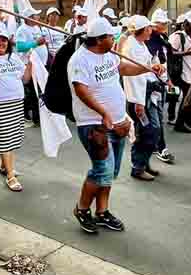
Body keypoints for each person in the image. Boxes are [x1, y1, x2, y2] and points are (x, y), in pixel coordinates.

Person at [69, 17, 162, 233]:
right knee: (102, 169)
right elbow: (81, 90)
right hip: (95, 124)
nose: (116, 38)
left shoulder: (109, 54)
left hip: (118, 121)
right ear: (100, 39)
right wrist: (104, 114)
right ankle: (82, 209)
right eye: (112, 36)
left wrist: (147, 68)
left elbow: (123, 69)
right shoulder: (79, 60)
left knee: (111, 172)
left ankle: (102, 211)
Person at [0, 28, 32, 192]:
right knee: (5, 137)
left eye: (4, 40)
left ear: (8, 43)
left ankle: (4, 166)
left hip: (16, 103)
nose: (1, 43)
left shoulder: (14, 58)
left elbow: (24, 79)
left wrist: (31, 64)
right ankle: (10, 176)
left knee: (13, 135)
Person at [123, 15, 163, 181]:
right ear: (143, 29)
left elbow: (147, 66)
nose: (151, 30)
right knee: (146, 131)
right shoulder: (131, 46)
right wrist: (138, 103)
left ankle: (143, 162)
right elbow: (133, 77)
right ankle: (138, 167)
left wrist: (156, 66)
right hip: (138, 98)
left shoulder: (140, 44)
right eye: (149, 28)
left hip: (147, 94)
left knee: (153, 130)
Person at [146, 9, 176, 164]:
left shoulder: (162, 39)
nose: (165, 26)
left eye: (165, 23)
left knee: (156, 118)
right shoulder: (148, 41)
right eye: (163, 23)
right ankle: (159, 147)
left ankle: (151, 145)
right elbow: (152, 64)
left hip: (161, 83)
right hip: (151, 85)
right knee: (155, 119)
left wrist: (168, 80)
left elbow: (163, 63)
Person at [169, 10, 191, 133]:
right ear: (185, 24)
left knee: (189, 99)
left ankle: (181, 123)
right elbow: (170, 53)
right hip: (184, 73)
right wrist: (187, 53)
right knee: (189, 99)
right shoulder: (178, 36)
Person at [15, 6, 48, 126]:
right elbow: (20, 47)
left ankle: (34, 113)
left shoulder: (37, 27)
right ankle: (34, 116)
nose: (38, 17)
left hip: (40, 64)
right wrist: (36, 43)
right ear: (29, 18)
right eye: (35, 15)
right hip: (29, 65)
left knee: (38, 91)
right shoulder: (22, 30)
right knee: (33, 93)